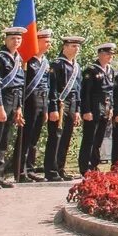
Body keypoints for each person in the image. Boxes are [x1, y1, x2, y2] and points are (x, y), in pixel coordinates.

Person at [0, 27, 27, 188]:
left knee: (5, 141)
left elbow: (19, 86)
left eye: (18, 39)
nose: (16, 41)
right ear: (5, 40)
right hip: (1, 101)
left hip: (14, 101)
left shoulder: (18, 58)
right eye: (13, 39)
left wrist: (19, 107)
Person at [44, 36, 84, 180]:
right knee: (56, 137)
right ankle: (51, 170)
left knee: (66, 137)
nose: (76, 49)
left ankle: (60, 168)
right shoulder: (57, 64)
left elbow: (78, 90)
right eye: (73, 46)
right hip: (60, 104)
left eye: (78, 47)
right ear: (65, 47)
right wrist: (53, 107)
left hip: (72, 104)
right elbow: (53, 88)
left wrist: (78, 110)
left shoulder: (76, 66)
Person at [17, 28, 53, 181]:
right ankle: (20, 170)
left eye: (49, 42)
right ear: (36, 42)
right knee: (25, 137)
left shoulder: (45, 62)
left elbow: (47, 86)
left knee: (34, 138)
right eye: (46, 41)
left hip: (41, 103)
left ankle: (30, 168)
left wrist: (46, 109)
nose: (49, 45)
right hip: (29, 103)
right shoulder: (27, 61)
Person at [78, 42, 116, 174]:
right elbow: (86, 93)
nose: (110, 57)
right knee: (89, 138)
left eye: (111, 54)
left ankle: (94, 164)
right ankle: (85, 166)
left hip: (105, 108)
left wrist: (111, 107)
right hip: (93, 108)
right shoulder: (91, 70)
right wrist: (86, 110)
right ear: (100, 54)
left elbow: (110, 91)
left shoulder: (110, 70)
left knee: (99, 139)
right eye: (107, 54)